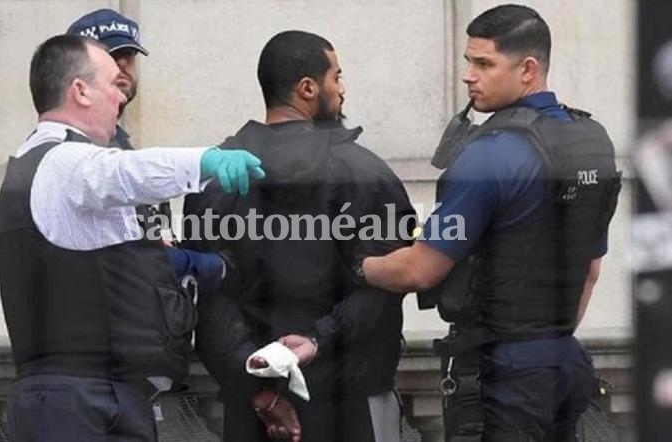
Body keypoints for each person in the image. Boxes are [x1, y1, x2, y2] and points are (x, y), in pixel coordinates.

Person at [360, 5, 622, 441]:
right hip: (564, 360)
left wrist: (358, 266)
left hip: (500, 372)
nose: (468, 75)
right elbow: (591, 272)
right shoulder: (592, 142)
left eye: (484, 63)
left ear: (528, 69)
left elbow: (422, 268)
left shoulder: (490, 155)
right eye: (468, 61)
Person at [0, 34, 264, 441]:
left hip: (92, 398)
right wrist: (204, 160)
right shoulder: (63, 160)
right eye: (115, 86)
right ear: (80, 91)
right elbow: (124, 172)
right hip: (79, 405)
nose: (122, 101)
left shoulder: (46, 166)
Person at [183, 30, 416, 442]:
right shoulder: (365, 173)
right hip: (349, 402)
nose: (342, 90)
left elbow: (206, 296)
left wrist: (261, 391)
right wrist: (318, 340)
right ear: (307, 88)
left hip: (253, 408)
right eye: (336, 77)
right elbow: (386, 283)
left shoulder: (216, 179)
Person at [66, 8, 224, 285]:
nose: (124, 64)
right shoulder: (80, 150)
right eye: (113, 56)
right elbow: (122, 253)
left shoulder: (121, 143)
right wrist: (204, 265)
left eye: (130, 56)